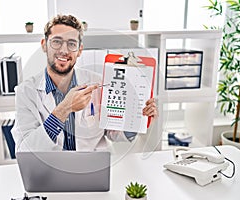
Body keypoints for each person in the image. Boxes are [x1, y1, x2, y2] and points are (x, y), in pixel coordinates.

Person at [11, 14, 157, 152]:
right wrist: (64, 109)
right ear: (44, 45)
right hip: (49, 170)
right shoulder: (26, 92)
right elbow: (25, 150)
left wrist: (138, 116)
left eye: (71, 44)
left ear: (79, 50)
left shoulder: (99, 83)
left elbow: (113, 132)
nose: (64, 50)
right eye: (56, 42)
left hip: (92, 168)